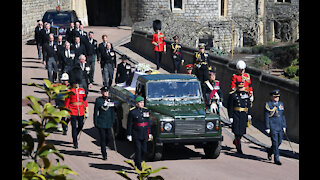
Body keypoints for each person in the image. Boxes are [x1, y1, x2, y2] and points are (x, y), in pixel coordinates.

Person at [64, 67, 89, 149]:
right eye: (75, 83)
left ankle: (75, 136)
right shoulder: (69, 91)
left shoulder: (82, 90)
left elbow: (84, 100)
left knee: (81, 125)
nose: (77, 84)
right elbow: (67, 102)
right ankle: (75, 142)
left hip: (80, 111)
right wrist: (66, 112)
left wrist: (86, 109)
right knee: (74, 127)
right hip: (72, 111)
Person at [127, 96, 153, 170]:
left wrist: (150, 133)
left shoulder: (146, 110)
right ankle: (139, 165)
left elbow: (148, 122)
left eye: (143, 102)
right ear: (136, 103)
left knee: (144, 150)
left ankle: (137, 160)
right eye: (140, 102)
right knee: (138, 150)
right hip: (136, 134)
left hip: (144, 133)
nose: (142, 104)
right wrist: (129, 134)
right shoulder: (132, 112)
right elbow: (129, 124)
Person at [227, 81, 252, 154]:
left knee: (241, 132)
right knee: (237, 132)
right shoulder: (233, 95)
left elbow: (248, 105)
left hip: (243, 115)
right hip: (236, 114)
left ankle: (236, 141)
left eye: (242, 87)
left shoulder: (246, 94)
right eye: (239, 87)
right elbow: (230, 106)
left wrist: (249, 114)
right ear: (236, 87)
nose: (241, 89)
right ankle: (239, 149)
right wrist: (230, 116)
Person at [93, 86, 116, 160]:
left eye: (107, 92)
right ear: (102, 92)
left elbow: (113, 112)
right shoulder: (99, 100)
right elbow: (96, 112)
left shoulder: (111, 101)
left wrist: (113, 120)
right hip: (101, 122)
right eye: (104, 92)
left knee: (109, 137)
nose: (106, 93)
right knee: (102, 138)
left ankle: (104, 146)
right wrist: (95, 122)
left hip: (108, 122)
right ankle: (104, 154)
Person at [265, 89, 287, 165]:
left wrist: (284, 126)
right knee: (275, 142)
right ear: (271, 97)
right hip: (273, 126)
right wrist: (267, 127)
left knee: (279, 141)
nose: (276, 98)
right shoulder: (269, 105)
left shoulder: (281, 104)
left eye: (277, 97)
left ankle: (270, 151)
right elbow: (267, 117)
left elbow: (282, 115)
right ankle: (276, 159)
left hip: (280, 126)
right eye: (275, 97)